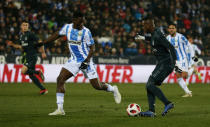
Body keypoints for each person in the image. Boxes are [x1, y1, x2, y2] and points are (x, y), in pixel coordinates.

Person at [39, 12, 121, 116]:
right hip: (73, 60)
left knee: (97, 86)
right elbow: (56, 35)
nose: (82, 24)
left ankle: (113, 89)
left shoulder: (86, 32)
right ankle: (60, 109)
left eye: (83, 21)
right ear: (74, 20)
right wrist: (43, 43)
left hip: (86, 60)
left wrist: (86, 61)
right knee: (60, 79)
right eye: (80, 22)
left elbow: (92, 48)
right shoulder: (67, 27)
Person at [135, 17, 179, 117]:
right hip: (161, 63)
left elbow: (170, 47)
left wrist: (175, 63)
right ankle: (151, 111)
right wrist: (143, 38)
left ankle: (167, 103)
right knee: (149, 85)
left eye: (144, 24)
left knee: (150, 84)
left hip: (166, 63)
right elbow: (153, 40)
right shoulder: (154, 34)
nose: (143, 26)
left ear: (150, 25)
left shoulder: (158, 34)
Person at [6, 20, 48, 95]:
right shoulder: (21, 36)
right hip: (27, 56)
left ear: (28, 27)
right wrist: (12, 44)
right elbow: (21, 47)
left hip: (32, 56)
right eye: (23, 25)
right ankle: (43, 89)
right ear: (21, 27)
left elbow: (40, 41)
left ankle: (38, 72)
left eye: (26, 25)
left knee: (23, 71)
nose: (25, 26)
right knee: (31, 76)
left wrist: (43, 52)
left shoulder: (31, 34)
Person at [167, 23, 192, 97]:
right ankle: (188, 92)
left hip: (183, 59)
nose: (171, 30)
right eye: (170, 28)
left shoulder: (181, 37)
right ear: (168, 30)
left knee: (184, 76)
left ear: (175, 29)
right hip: (175, 61)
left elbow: (189, 45)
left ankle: (192, 70)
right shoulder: (167, 38)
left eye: (173, 28)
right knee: (178, 76)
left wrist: (190, 57)